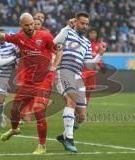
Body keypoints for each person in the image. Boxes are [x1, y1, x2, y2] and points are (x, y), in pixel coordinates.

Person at [0, 13, 57, 155]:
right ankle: (15, 129)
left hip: (44, 80)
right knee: (14, 111)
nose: (31, 27)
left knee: (39, 111)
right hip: (27, 81)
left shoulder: (45, 36)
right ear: (21, 26)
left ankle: (42, 146)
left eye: (32, 23)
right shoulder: (18, 37)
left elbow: (58, 51)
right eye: (27, 25)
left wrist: (54, 65)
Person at [53, 11, 106, 153]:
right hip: (64, 70)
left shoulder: (87, 42)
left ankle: (64, 136)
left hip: (77, 75)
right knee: (71, 100)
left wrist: (99, 55)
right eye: (82, 23)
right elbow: (55, 42)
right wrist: (66, 27)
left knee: (81, 116)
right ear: (75, 22)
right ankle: (69, 139)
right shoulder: (68, 32)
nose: (85, 26)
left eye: (87, 24)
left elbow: (88, 64)